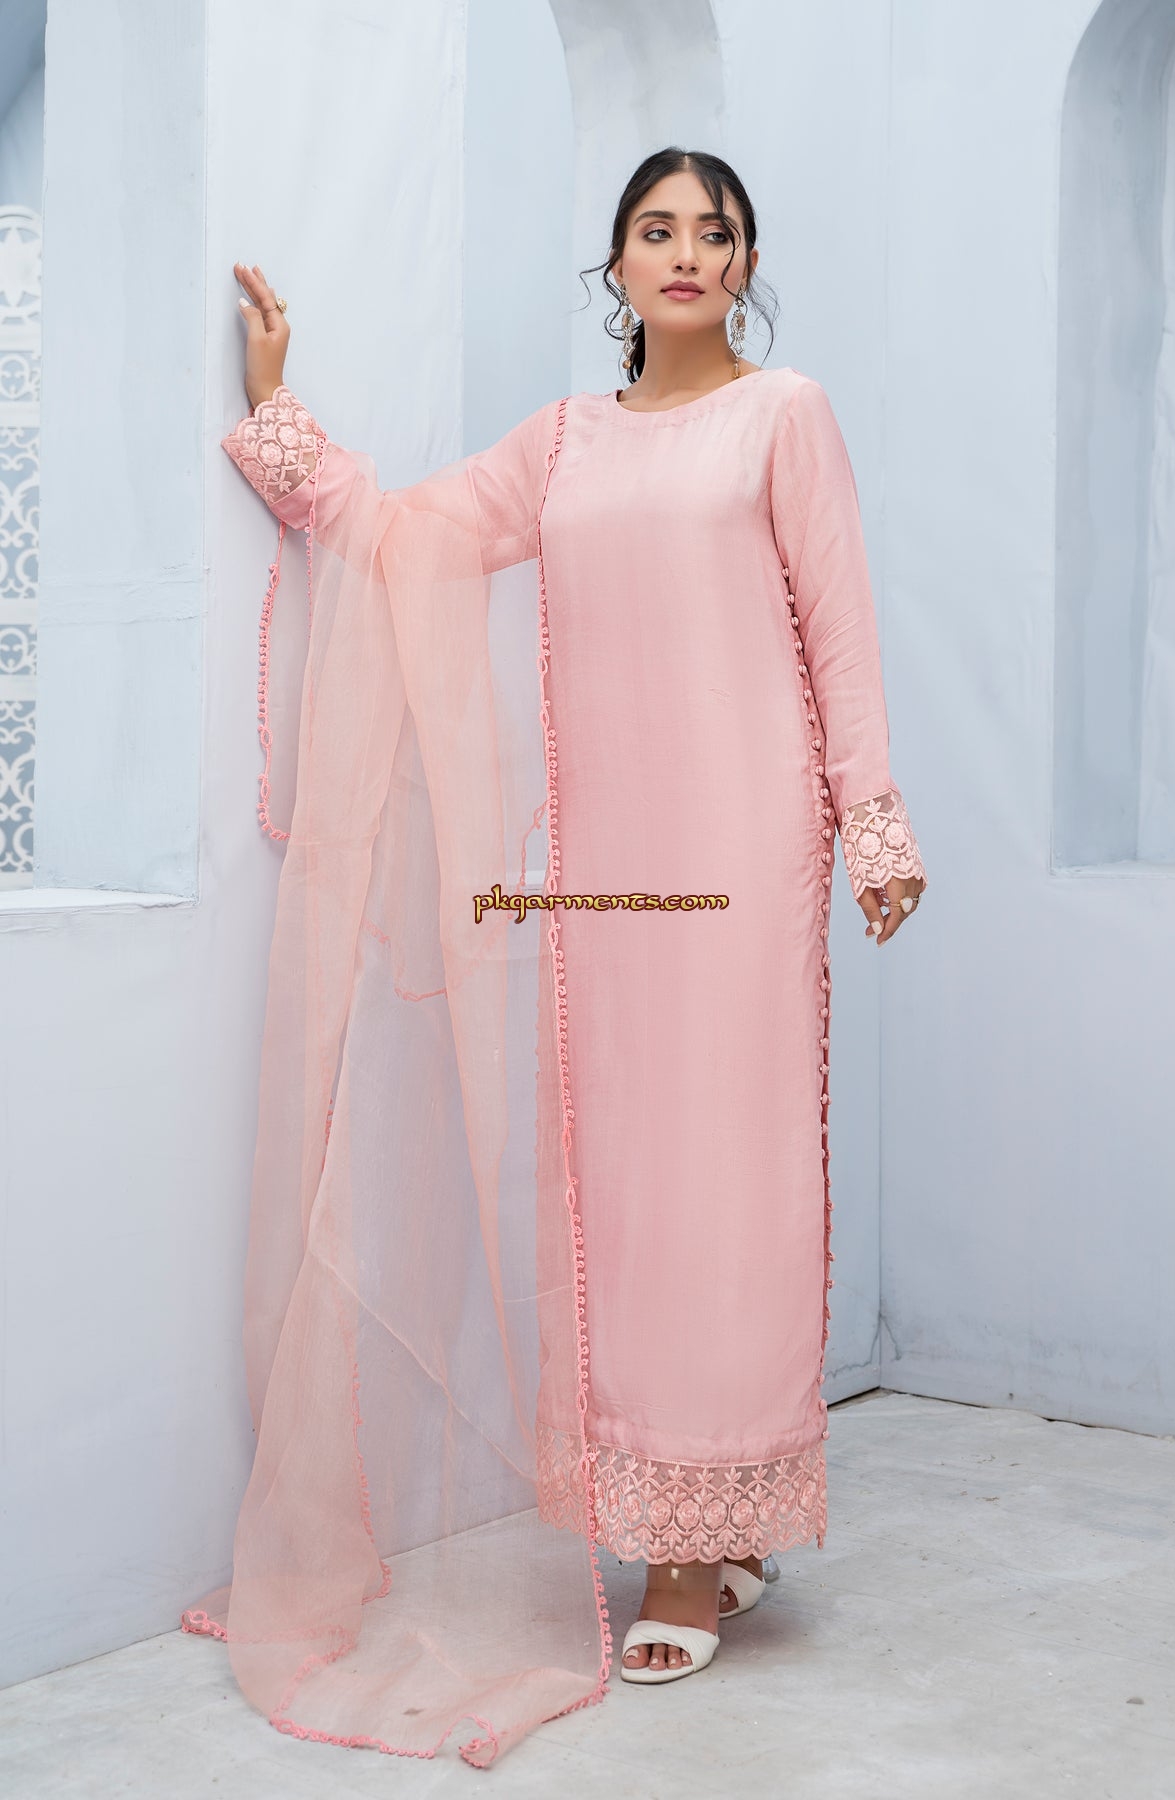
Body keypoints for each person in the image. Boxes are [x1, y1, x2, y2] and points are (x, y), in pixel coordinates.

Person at [189, 146, 926, 1763]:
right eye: (655, 229)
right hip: (609, 876)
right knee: (625, 1185)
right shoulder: (563, 445)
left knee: (732, 1184)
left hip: (744, 853)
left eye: (714, 231)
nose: (686, 252)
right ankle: (685, 1513)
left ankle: (694, 1543)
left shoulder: (782, 415)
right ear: (614, 267)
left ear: (745, 265)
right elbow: (408, 539)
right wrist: (281, 419)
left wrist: (871, 822)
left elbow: (838, 621)